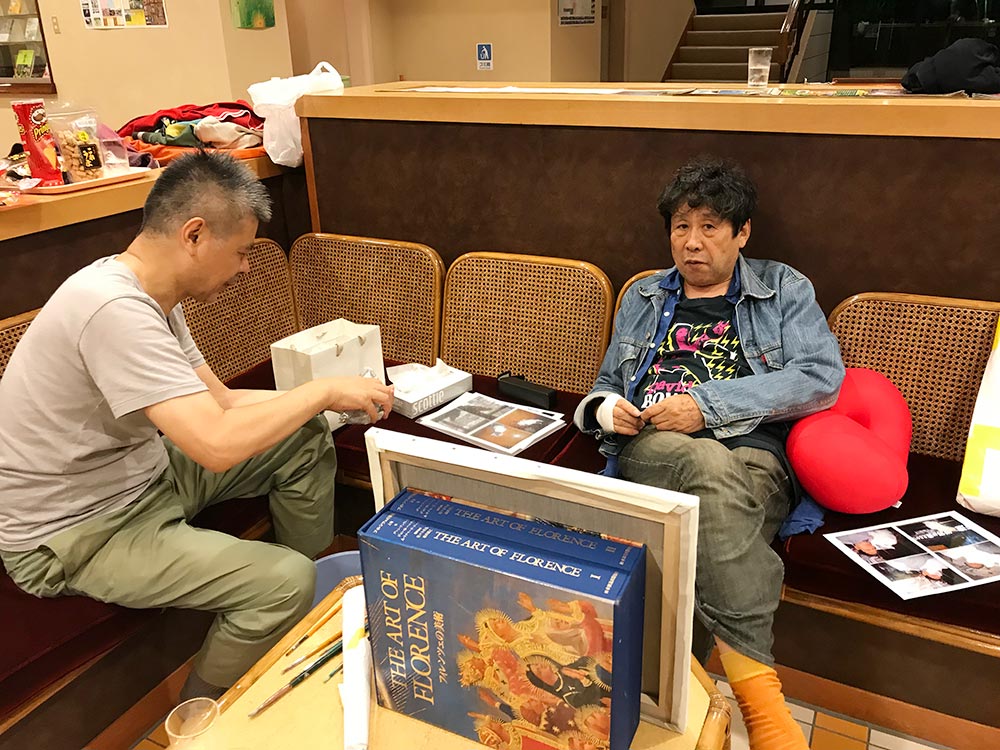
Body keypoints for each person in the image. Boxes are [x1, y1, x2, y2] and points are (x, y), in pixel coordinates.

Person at [0, 151, 394, 701]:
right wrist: (321, 392)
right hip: (77, 532)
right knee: (282, 582)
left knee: (303, 435)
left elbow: (222, 402)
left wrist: (324, 401)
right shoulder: (111, 308)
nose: (246, 268)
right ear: (194, 234)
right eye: (241, 252)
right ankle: (199, 715)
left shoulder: (154, 296)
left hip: (143, 480)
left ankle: (304, 610)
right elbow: (214, 445)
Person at [574, 156, 844, 750]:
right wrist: (605, 411)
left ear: (742, 233)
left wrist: (707, 405)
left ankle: (670, 715)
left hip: (757, 457)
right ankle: (763, 711)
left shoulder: (784, 289)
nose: (691, 243)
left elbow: (822, 378)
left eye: (709, 227)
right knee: (704, 466)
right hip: (656, 448)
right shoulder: (645, 295)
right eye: (681, 227)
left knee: (695, 540)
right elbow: (604, 387)